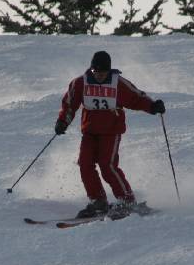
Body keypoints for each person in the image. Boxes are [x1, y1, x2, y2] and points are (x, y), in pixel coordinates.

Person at [54, 51, 166, 218]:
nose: (99, 75)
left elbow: (136, 98)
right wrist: (63, 121)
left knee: (107, 165)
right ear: (91, 69)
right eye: (96, 71)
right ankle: (98, 201)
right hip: (90, 132)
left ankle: (127, 201)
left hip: (111, 132)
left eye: (103, 72)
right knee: (85, 164)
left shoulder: (117, 83)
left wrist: (152, 106)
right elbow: (70, 104)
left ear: (109, 70)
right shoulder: (80, 83)